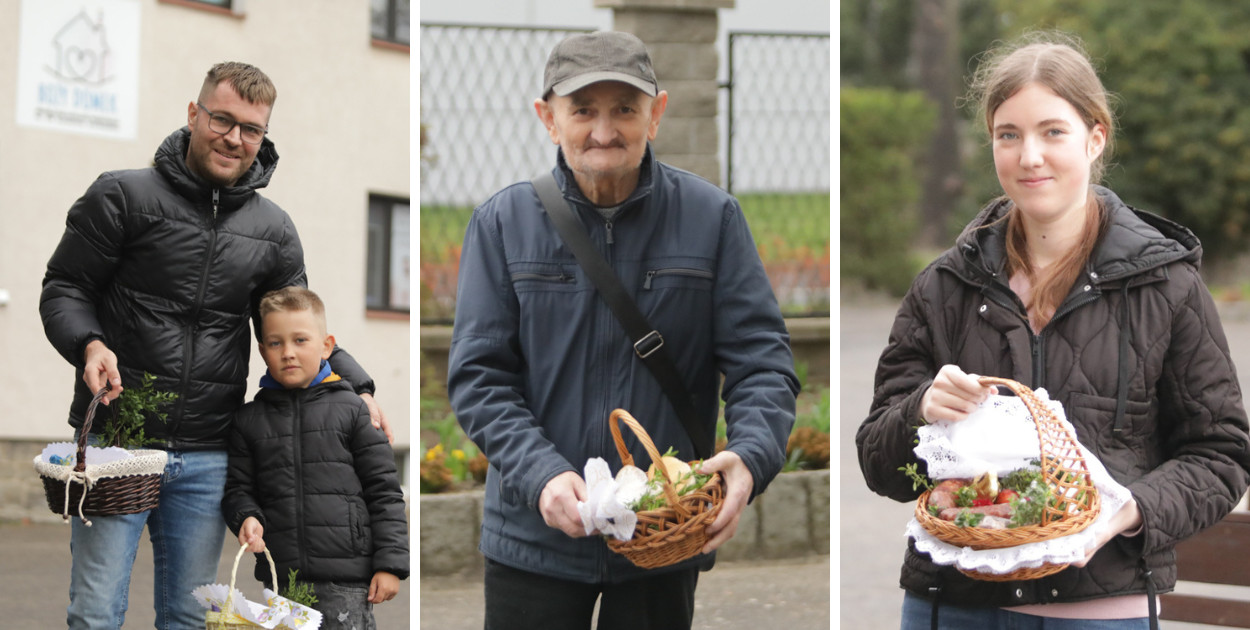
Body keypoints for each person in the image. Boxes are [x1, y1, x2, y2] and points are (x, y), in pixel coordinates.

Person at [855, 32, 1250, 629]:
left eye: (1052, 132)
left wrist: (1126, 510)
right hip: (954, 608)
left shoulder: (1167, 286)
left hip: (1102, 612)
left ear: (1095, 138)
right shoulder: (942, 286)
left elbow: (1221, 456)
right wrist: (919, 411)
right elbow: (878, 463)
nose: (1029, 156)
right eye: (1008, 135)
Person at [446, 30, 799, 630]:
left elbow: (762, 365)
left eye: (625, 110)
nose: (604, 131)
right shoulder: (502, 222)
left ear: (656, 114)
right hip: (534, 540)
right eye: (583, 110)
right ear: (549, 118)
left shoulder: (713, 218)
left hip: (664, 534)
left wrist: (749, 456)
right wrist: (541, 475)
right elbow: (480, 378)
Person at [39, 62, 390, 630]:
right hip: (117, 444)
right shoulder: (122, 195)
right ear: (193, 114)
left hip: (207, 452)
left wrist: (357, 385)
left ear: (263, 135)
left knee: (188, 615)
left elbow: (295, 326)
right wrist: (90, 344)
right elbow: (65, 287)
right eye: (222, 120)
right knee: (97, 611)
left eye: (251, 129)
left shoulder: (274, 230)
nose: (234, 138)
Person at [222, 286, 408, 630]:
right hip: (282, 581)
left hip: (347, 581)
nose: (288, 353)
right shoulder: (249, 420)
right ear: (262, 351)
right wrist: (246, 516)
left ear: (326, 346)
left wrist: (390, 565)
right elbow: (238, 488)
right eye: (275, 343)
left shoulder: (353, 410)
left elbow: (384, 492)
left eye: (300, 340)